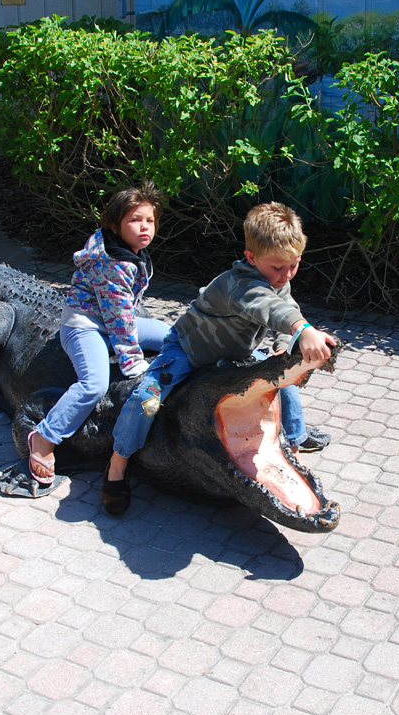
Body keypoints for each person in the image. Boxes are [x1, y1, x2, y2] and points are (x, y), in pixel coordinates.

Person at [102, 201, 336, 515]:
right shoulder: (237, 285)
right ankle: (118, 463)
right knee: (146, 398)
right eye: (278, 267)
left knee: (285, 381)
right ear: (251, 258)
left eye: (294, 264)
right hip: (189, 349)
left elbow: (286, 304)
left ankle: (292, 445)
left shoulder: (280, 277)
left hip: (236, 352)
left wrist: (286, 343)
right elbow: (270, 307)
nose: (286, 274)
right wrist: (302, 328)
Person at [27, 182, 170, 484]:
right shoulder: (113, 263)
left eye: (150, 220)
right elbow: (118, 318)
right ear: (115, 224)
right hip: (84, 325)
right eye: (135, 220)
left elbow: (124, 313)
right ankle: (44, 437)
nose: (145, 227)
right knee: (93, 384)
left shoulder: (130, 251)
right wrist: (132, 362)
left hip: (113, 320)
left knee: (171, 335)